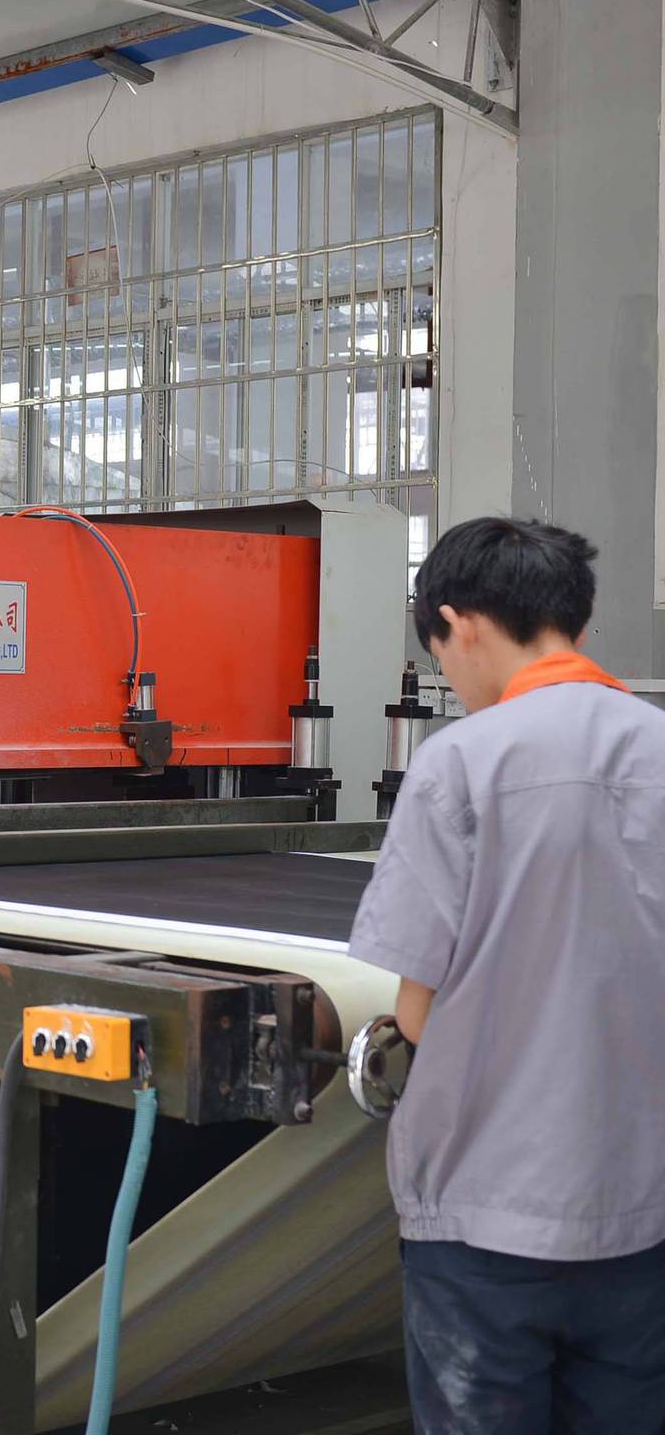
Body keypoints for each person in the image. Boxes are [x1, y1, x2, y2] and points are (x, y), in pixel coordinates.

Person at [348, 517, 665, 1434]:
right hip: (642, 1211)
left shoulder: (459, 764)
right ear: (578, 617)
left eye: (442, 652)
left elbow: (416, 1011)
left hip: (485, 1218)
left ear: (460, 622)